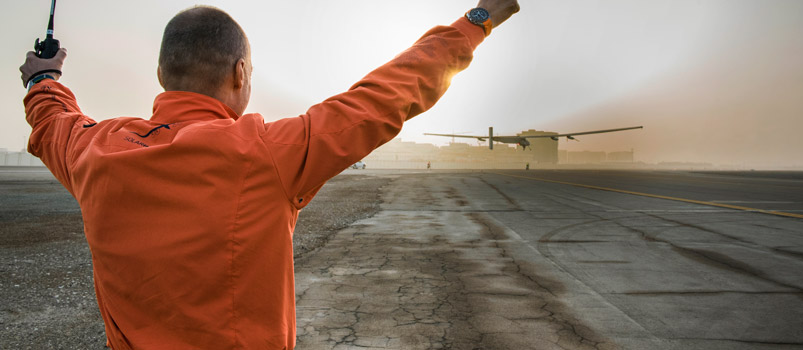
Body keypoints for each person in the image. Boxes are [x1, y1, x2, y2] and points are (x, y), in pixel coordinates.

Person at [19, 2, 519, 349]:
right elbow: (384, 96)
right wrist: (479, 19)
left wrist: (44, 76)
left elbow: (52, 119)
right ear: (240, 73)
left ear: (161, 73)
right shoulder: (264, 151)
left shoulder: (95, 149)